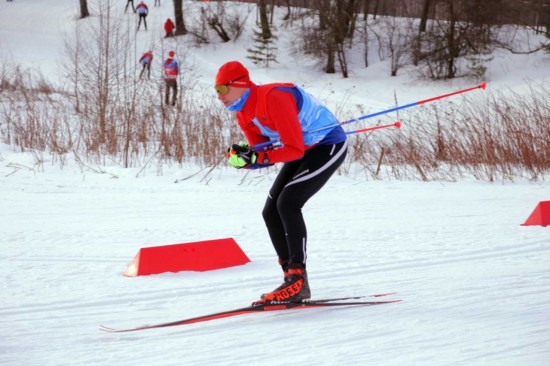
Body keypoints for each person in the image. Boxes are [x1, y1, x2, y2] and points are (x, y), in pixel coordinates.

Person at [216, 61, 348, 304]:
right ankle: (292, 279)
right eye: (216, 91)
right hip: (302, 150)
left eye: (223, 90)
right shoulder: (242, 114)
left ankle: (298, 278)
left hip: (328, 145)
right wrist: (247, 160)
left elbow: (293, 149)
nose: (220, 96)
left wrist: (260, 156)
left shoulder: (272, 98)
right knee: (270, 211)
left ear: (240, 84)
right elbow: (264, 153)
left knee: (288, 203)